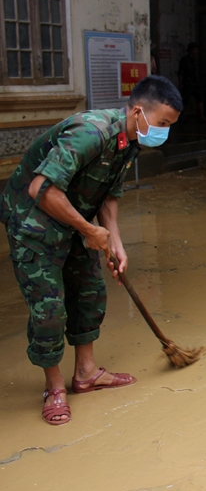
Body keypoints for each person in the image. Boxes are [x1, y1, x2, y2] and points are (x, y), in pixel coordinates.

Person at [0, 76, 182, 426]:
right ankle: (54, 388)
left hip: (74, 218)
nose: (164, 132)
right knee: (49, 309)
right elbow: (42, 188)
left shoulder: (130, 141)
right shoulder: (90, 133)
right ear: (139, 111)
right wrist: (88, 230)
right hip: (33, 222)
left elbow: (108, 195)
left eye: (170, 126)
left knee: (90, 293)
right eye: (162, 123)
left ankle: (86, 373)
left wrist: (114, 240)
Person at [177, 42, 206, 122]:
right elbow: (180, 73)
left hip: (196, 83)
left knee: (200, 99)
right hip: (188, 83)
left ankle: (201, 116)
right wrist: (181, 83)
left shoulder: (196, 60)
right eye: (194, 49)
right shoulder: (185, 60)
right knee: (185, 101)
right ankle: (180, 117)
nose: (196, 51)